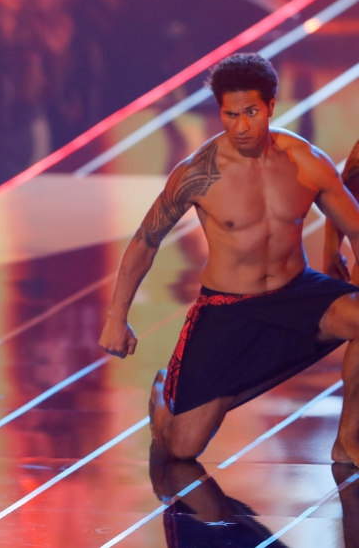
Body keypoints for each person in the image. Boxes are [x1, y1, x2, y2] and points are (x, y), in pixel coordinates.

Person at [99, 53, 359, 465]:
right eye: (230, 114)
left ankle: (348, 441)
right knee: (181, 448)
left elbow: (357, 227)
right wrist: (117, 316)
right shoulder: (198, 174)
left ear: (272, 106)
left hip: (298, 293)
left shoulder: (306, 162)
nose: (240, 126)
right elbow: (146, 241)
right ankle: (163, 398)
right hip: (227, 309)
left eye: (251, 112)